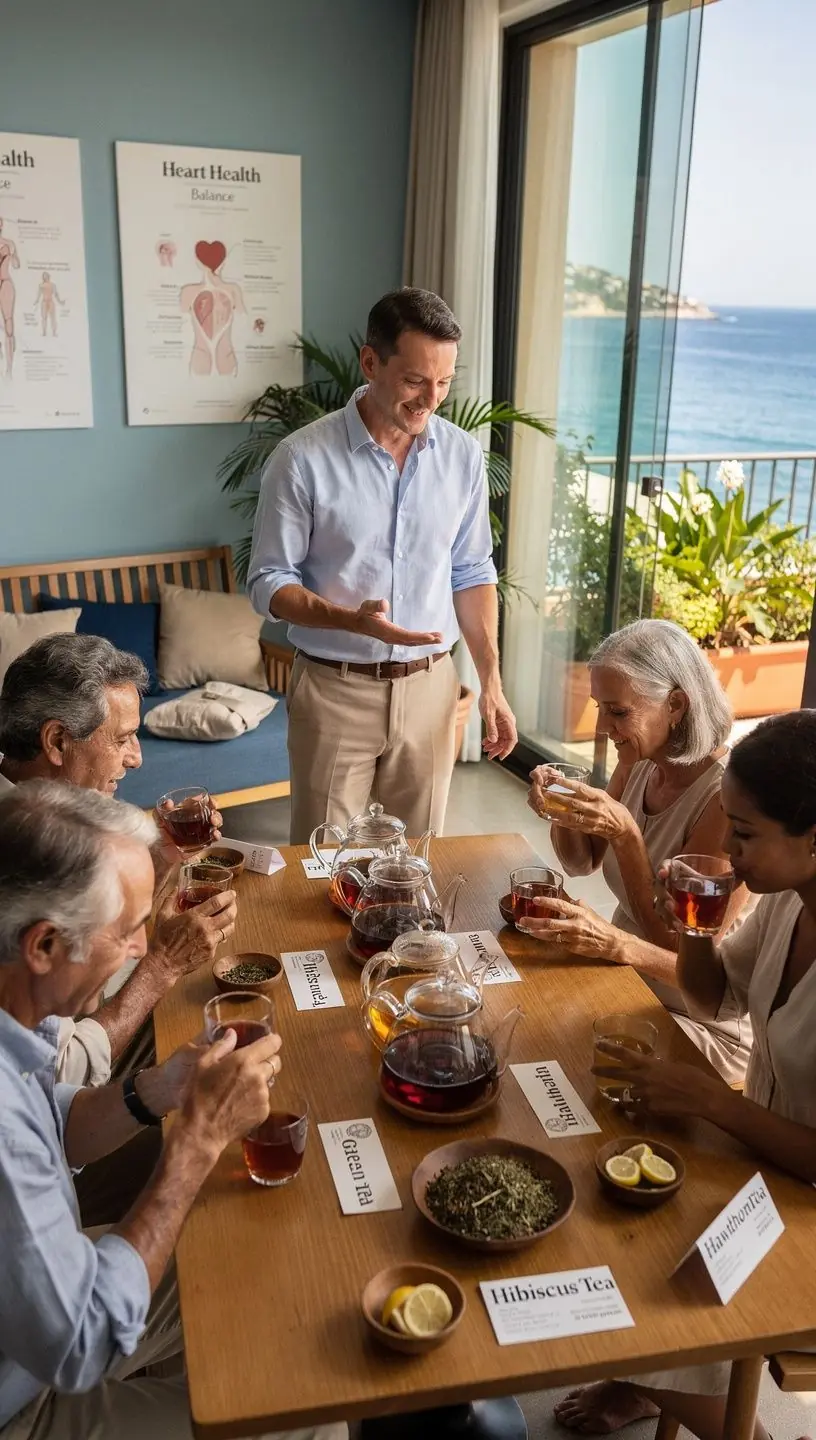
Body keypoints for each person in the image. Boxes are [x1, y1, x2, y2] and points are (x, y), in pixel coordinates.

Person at [0, 782, 344, 1440]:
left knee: (244, 1257)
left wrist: (157, 1089)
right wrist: (196, 1141)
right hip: (25, 1396)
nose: (141, 949)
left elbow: (52, 1120)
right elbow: (82, 1341)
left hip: (37, 1313)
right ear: (43, 946)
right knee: (310, 1412)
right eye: (127, 931)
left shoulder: (18, 1008)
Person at [554, 708, 816, 1440]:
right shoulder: (786, 905)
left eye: (745, 834)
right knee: (607, 1231)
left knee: (640, 1301)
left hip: (797, 1197)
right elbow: (712, 998)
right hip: (760, 1167)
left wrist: (714, 1102)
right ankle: (656, 1383)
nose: (727, 850)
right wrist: (696, 922)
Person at [247, 286, 518, 845]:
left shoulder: (463, 455)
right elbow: (268, 582)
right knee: (323, 864)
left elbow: (472, 571)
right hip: (335, 690)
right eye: (415, 380)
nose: (430, 399)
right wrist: (351, 621)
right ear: (370, 362)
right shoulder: (301, 459)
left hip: (431, 689)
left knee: (416, 862)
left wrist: (491, 683)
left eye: (444, 382)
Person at [0, 634, 236, 1086]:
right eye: (123, 738)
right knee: (217, 1022)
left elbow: (103, 941)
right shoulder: (25, 858)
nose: (136, 758)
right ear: (57, 741)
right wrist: (162, 967)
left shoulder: (44, 803)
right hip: (56, 1098)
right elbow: (60, 1071)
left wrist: (162, 857)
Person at [524, 620, 751, 1084]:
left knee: (555, 1057)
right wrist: (561, 806)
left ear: (676, 705)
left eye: (618, 712)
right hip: (623, 978)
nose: (602, 727)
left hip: (695, 1018)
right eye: (600, 709)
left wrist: (627, 835)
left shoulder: (726, 800)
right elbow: (581, 862)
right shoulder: (641, 761)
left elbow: (679, 949)